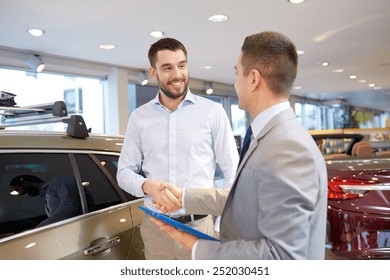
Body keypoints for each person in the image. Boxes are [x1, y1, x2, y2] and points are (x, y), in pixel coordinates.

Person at [151, 31, 328, 260]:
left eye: (237, 74)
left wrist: (196, 246)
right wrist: (185, 197)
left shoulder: (287, 148)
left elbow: (282, 257)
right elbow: (248, 198)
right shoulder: (271, 136)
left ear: (253, 79)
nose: (235, 83)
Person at [116, 37, 239, 259]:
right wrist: (146, 185)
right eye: (168, 67)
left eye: (182, 65)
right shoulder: (139, 117)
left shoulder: (213, 112)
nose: (178, 74)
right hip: (155, 229)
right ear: (153, 73)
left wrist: (222, 224)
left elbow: (233, 171)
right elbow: (123, 172)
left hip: (200, 228)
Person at [9, 175, 93, 227]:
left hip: (84, 226)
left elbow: (71, 206)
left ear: (26, 183)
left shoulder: (59, 181)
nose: (20, 194)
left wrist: (41, 227)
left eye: (18, 189)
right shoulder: (47, 195)